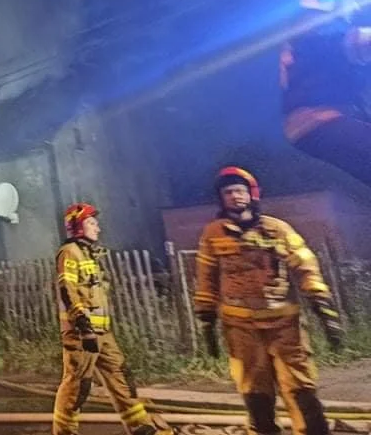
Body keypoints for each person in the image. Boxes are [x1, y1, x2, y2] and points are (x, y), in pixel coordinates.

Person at [194, 167, 343, 435]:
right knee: (253, 385)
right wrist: (206, 318)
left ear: (251, 194)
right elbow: (207, 277)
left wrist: (321, 305)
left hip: (283, 323)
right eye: (228, 192)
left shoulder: (277, 229)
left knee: (299, 383)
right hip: (240, 326)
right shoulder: (213, 234)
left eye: (239, 191)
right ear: (221, 198)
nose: (235, 196)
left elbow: (305, 265)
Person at [52, 203, 170, 435]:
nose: (98, 228)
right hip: (81, 334)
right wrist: (83, 325)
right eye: (91, 223)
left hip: (102, 333)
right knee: (78, 385)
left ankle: (139, 426)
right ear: (78, 226)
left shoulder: (89, 253)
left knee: (121, 376)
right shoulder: (70, 252)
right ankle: (64, 432)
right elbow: (67, 289)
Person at [281, 0, 371, 188]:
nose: (356, 6)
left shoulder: (307, 30)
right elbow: (353, 41)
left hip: (323, 122)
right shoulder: (318, 29)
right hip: (320, 119)